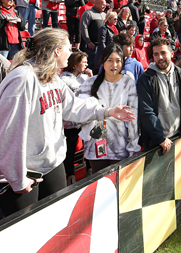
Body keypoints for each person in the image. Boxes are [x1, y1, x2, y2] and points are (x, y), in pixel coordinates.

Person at [0, 28, 135, 217]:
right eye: (68, 48)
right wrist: (17, 177)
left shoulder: (53, 77)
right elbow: (8, 132)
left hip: (53, 163)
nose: (71, 53)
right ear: (56, 51)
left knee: (57, 221)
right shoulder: (22, 78)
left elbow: (74, 107)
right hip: (26, 170)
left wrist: (108, 111)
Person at [77, 43, 140, 172]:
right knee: (100, 187)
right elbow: (77, 111)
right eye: (110, 60)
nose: (114, 65)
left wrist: (132, 147)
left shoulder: (128, 82)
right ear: (103, 61)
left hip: (120, 146)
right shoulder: (90, 82)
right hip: (95, 147)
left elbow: (133, 118)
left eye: (118, 61)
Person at [60, 51, 93, 185]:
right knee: (70, 149)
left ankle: (90, 170)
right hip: (70, 122)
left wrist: (91, 78)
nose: (86, 64)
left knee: (89, 145)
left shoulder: (85, 77)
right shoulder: (63, 80)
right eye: (84, 62)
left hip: (85, 120)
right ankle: (70, 175)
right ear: (75, 64)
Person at [80, 0, 106, 70]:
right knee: (91, 66)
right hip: (92, 47)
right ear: (96, 4)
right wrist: (88, 41)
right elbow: (83, 28)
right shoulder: (88, 14)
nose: (105, 6)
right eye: (103, 4)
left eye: (105, 4)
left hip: (102, 46)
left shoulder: (104, 15)